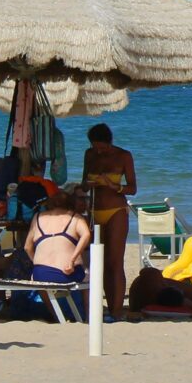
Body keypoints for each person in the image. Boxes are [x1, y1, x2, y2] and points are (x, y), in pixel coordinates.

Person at [80, 123, 138, 320]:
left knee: (115, 261)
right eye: (96, 147)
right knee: (100, 262)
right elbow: (83, 185)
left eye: (102, 147)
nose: (99, 151)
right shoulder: (89, 155)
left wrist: (114, 186)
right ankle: (107, 306)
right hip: (95, 210)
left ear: (110, 142)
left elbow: (132, 188)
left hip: (116, 210)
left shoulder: (123, 156)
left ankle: (116, 310)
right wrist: (87, 185)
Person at [22, 187, 91, 297]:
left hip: (41, 273)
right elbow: (86, 235)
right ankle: (87, 313)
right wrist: (72, 260)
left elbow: (27, 247)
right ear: (70, 205)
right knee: (88, 278)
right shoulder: (75, 217)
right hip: (66, 272)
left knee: (41, 282)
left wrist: (37, 263)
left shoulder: (38, 217)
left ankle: (53, 312)